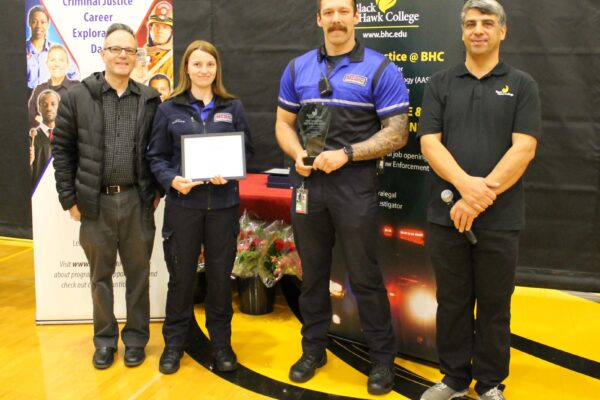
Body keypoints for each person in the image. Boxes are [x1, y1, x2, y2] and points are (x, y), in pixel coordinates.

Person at [275, 0, 409, 395]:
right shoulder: (297, 67)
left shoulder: (380, 68)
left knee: (365, 276)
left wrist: (347, 154)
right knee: (312, 274)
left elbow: (397, 133)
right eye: (328, 12)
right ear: (319, 19)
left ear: (356, 17)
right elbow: (283, 124)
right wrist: (296, 152)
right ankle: (313, 349)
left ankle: (383, 360)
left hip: (355, 185)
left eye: (342, 11)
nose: (335, 19)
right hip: (307, 185)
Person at [417, 1, 540, 399]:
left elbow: (524, 149)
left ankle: (489, 384)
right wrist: (466, 187)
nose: (478, 30)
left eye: (487, 23)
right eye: (470, 23)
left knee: (494, 306)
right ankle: (453, 378)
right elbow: (428, 143)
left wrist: (477, 198)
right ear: (462, 32)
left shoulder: (522, 85)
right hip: (445, 216)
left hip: (499, 219)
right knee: (451, 302)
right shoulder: (439, 82)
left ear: (502, 31)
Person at [52, 23, 161, 370]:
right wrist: (69, 198)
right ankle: (104, 342)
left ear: (136, 57)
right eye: (116, 49)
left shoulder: (149, 99)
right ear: (103, 53)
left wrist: (155, 192)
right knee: (100, 278)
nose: (122, 56)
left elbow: (159, 150)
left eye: (129, 51)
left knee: (139, 276)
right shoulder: (76, 97)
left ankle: (136, 340)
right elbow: (62, 151)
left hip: (136, 203)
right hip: (93, 204)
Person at [147, 40, 254, 375]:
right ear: (186, 69)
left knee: (221, 280)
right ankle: (174, 344)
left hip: (223, 206)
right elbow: (156, 156)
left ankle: (221, 346)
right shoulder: (169, 109)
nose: (204, 70)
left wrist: (232, 174)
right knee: (180, 279)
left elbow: (248, 153)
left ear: (216, 68)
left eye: (210, 64)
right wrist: (171, 180)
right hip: (184, 206)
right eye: (197, 64)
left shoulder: (232, 107)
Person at [26, 6, 78, 90]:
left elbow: (74, 73)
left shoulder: (57, 51)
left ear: (48, 24)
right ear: (29, 23)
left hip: (51, 97)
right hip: (26, 97)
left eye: (43, 22)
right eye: (34, 21)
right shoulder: (21, 50)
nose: (38, 26)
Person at [28, 44, 79, 128]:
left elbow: (82, 119)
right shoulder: (39, 90)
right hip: (43, 140)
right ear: (47, 64)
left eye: (61, 60)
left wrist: (45, 120)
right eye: (52, 60)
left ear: (67, 64)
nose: (56, 64)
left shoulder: (77, 88)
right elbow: (30, 119)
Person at [30, 89, 59, 189]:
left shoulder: (66, 137)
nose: (49, 108)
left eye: (53, 104)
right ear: (39, 108)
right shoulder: (31, 139)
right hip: (38, 194)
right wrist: (29, 164)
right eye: (45, 104)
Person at [144, 1, 173, 80]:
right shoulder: (139, 55)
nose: (160, 30)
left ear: (171, 31)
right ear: (150, 28)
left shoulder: (173, 61)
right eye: (156, 25)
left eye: (165, 27)